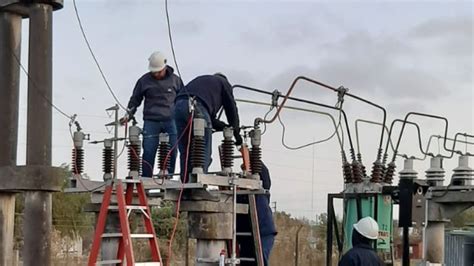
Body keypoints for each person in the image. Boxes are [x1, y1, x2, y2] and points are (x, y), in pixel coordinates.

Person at [124, 51, 183, 177]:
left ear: (165, 67)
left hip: (171, 120)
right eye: (154, 72)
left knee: (172, 150)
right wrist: (128, 114)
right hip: (151, 121)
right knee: (149, 151)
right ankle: (146, 180)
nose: (156, 74)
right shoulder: (144, 81)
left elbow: (183, 99)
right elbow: (135, 99)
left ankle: (168, 176)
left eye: (159, 71)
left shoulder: (175, 81)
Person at [174, 73, 242, 180]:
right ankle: (199, 183)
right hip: (196, 105)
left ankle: (185, 183)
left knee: (186, 150)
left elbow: (210, 119)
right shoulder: (224, 83)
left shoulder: (205, 82)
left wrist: (225, 126)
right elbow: (231, 108)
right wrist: (236, 132)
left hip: (178, 106)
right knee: (203, 148)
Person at [237, 162, 277, 266]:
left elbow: (264, 174)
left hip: (262, 232)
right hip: (245, 235)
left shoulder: (260, 189)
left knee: (259, 261)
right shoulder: (238, 194)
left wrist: (249, 157)